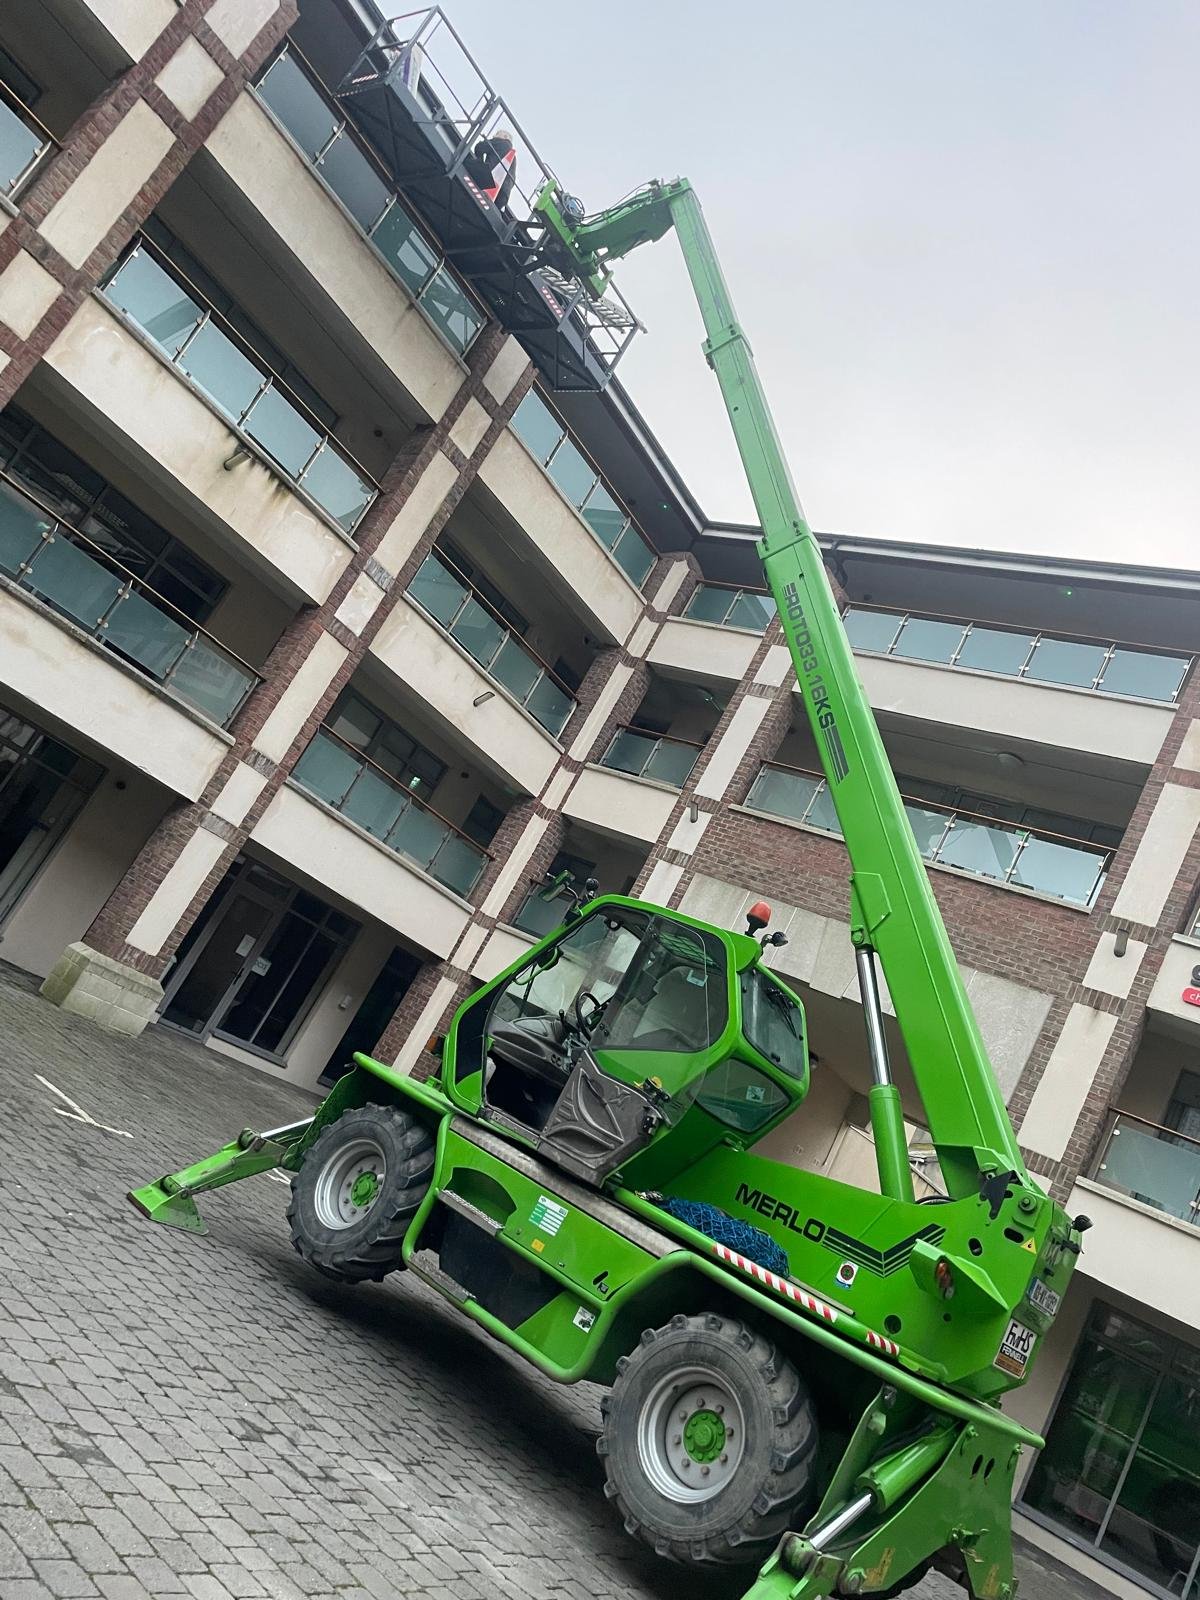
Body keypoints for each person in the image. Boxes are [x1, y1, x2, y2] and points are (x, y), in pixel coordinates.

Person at [465, 127, 516, 209]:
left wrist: (480, 160)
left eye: (497, 134)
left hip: (488, 181)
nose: (493, 136)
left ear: (505, 137)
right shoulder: (513, 158)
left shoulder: (502, 143)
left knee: (465, 161)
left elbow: (479, 147)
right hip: (502, 197)